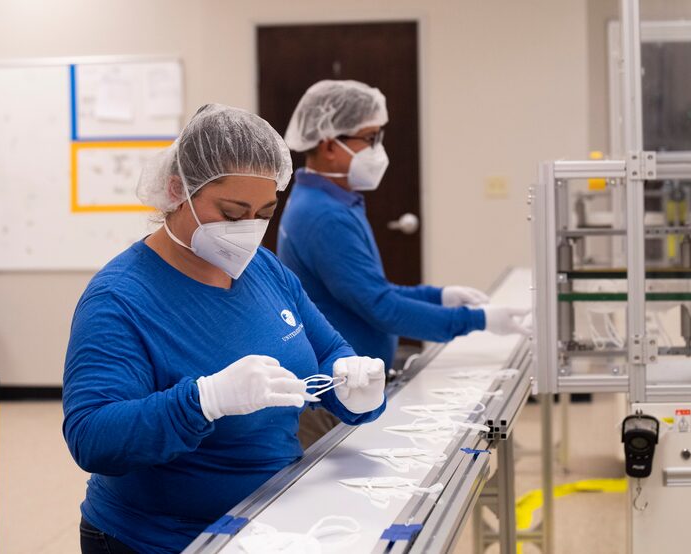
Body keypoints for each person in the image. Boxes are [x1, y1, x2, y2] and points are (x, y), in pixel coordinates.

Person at [62, 104, 386, 554]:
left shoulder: (264, 269)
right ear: (177, 190)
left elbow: (328, 347)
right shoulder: (120, 298)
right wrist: (204, 400)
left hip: (271, 517)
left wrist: (351, 383)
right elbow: (92, 437)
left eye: (264, 212)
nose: (249, 230)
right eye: (233, 213)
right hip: (161, 539)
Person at [277, 80, 529, 446]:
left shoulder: (332, 200)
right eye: (370, 138)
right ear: (330, 144)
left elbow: (370, 290)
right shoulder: (323, 216)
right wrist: (479, 320)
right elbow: (380, 307)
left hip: (351, 386)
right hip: (338, 398)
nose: (378, 150)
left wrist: (439, 296)